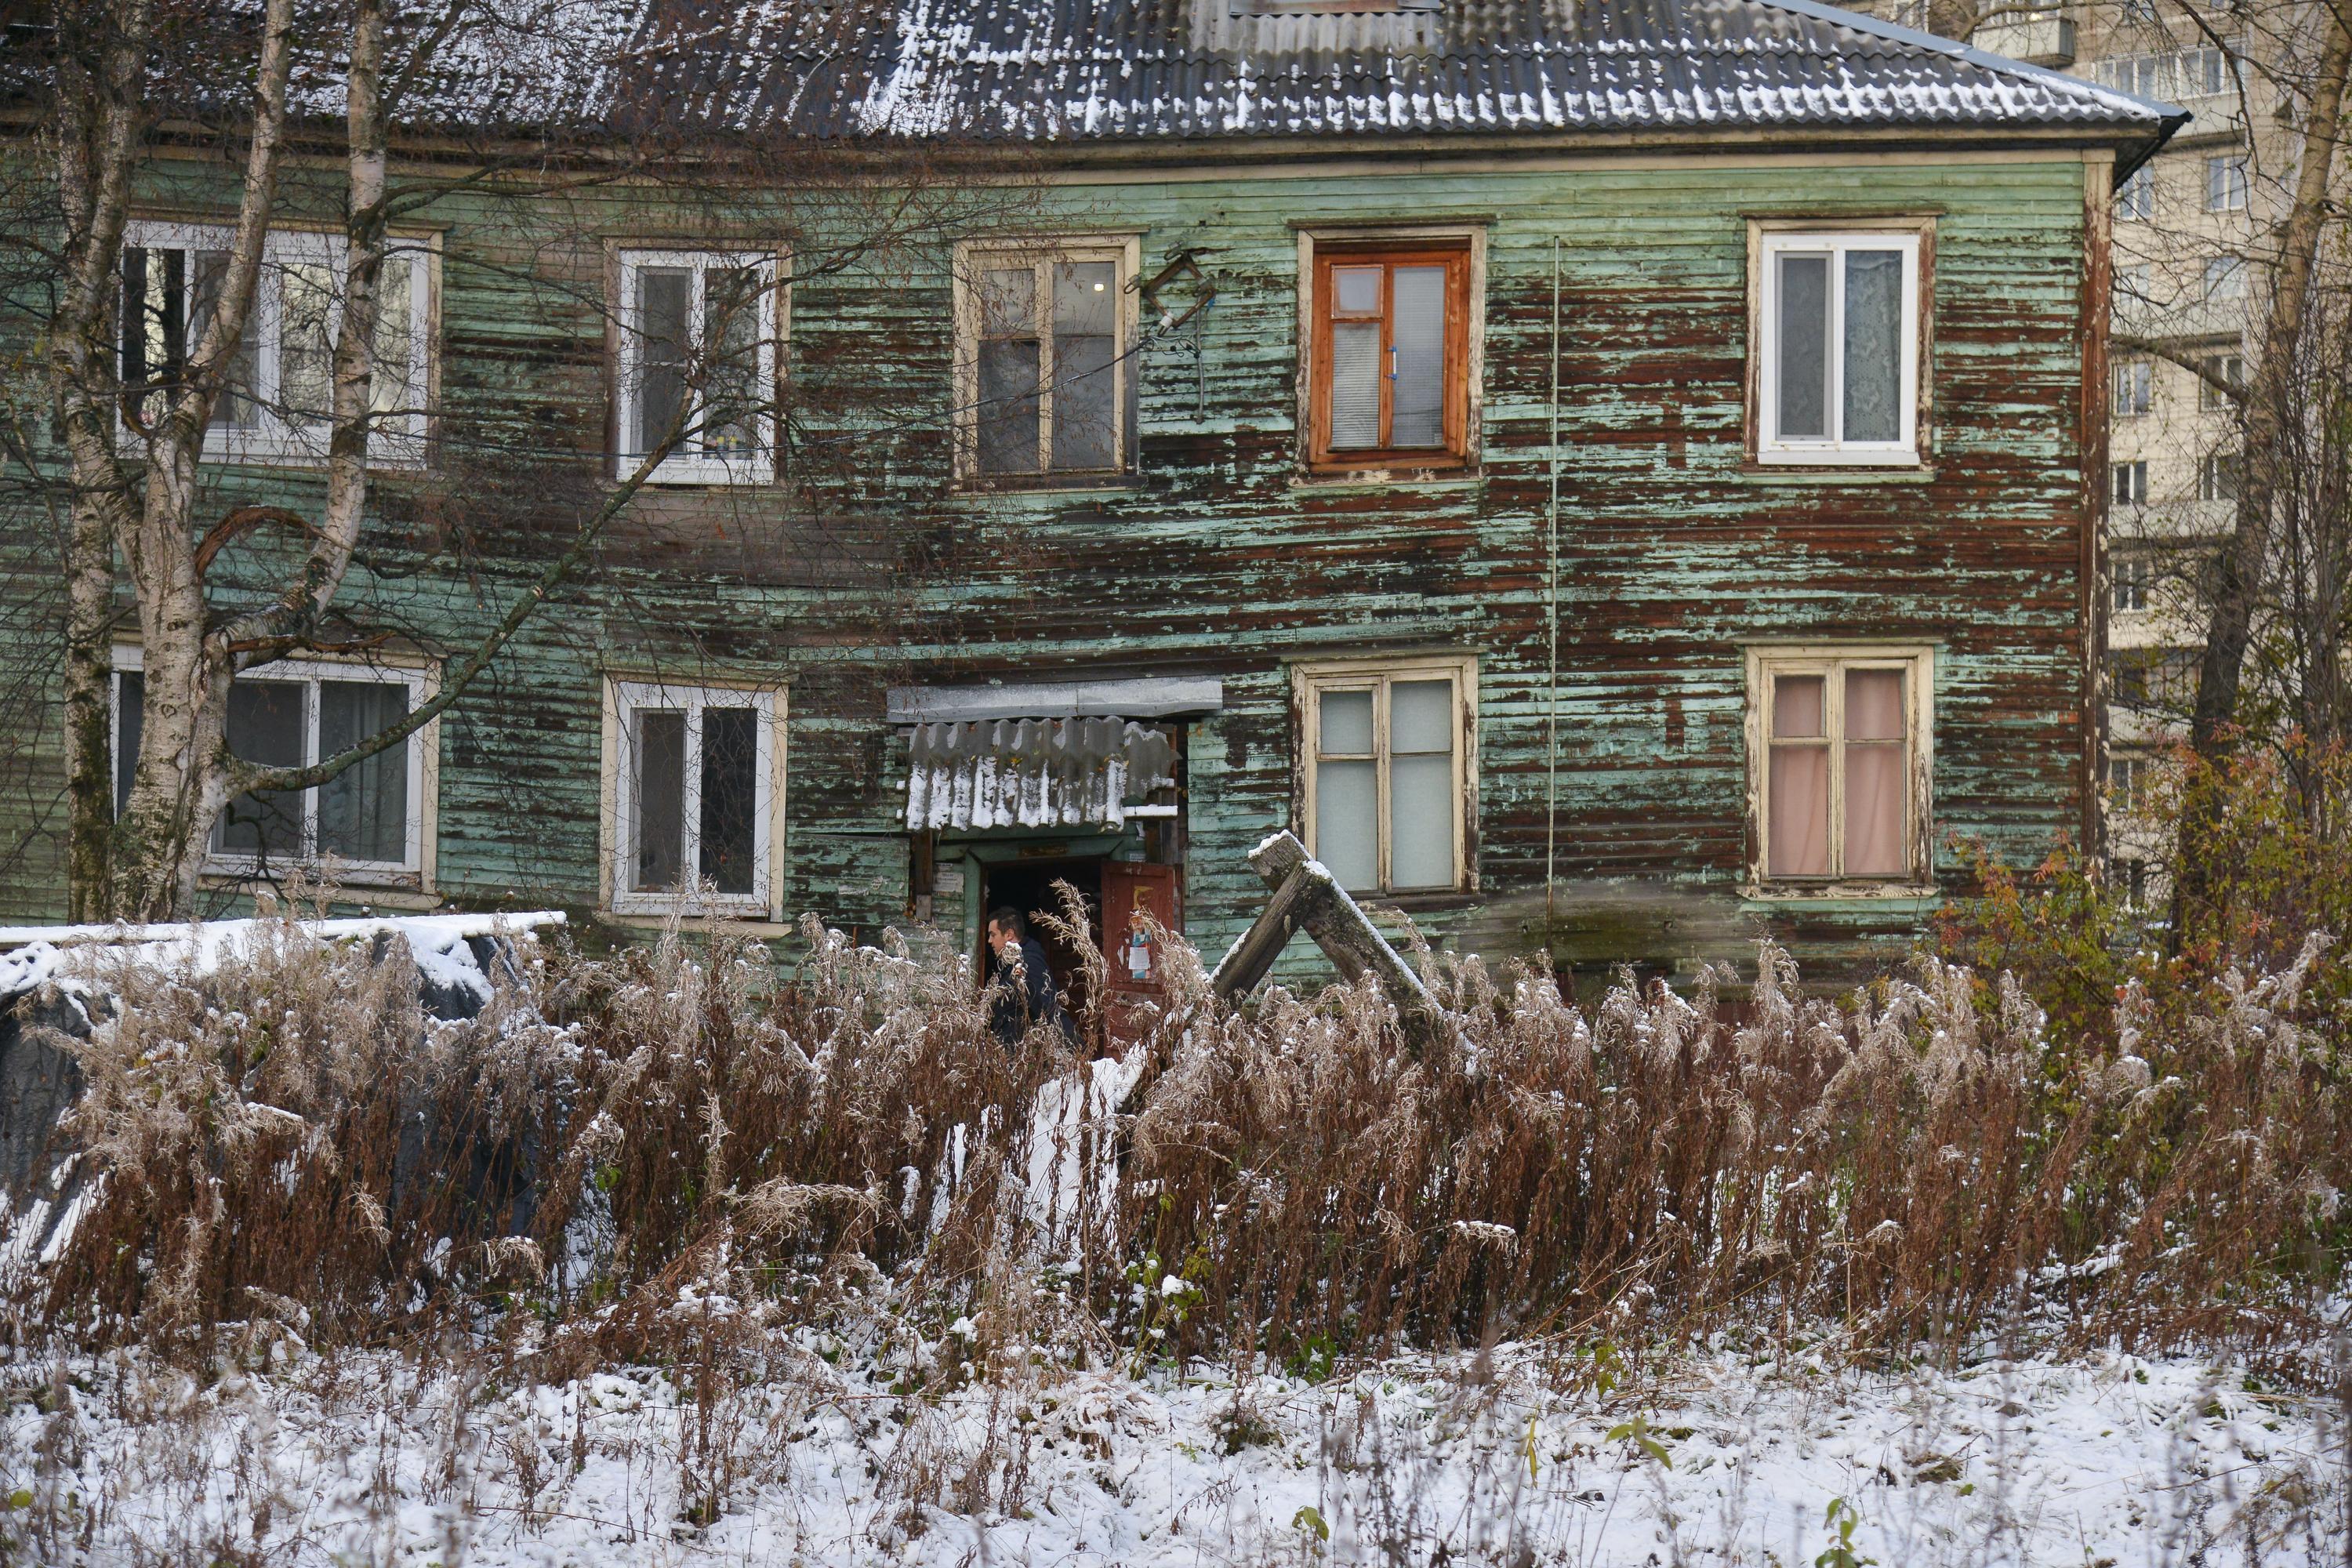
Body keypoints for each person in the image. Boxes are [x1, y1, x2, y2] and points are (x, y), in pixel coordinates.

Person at [985, 906, 1071, 1047]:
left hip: (1023, 1057)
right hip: (1013, 1057)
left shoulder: (1027, 964)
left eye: (993, 935)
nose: (989, 941)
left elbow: (1049, 1008)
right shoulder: (1012, 964)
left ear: (1009, 935)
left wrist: (1077, 1053)